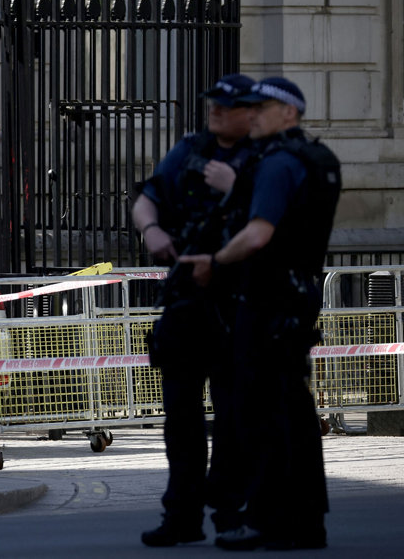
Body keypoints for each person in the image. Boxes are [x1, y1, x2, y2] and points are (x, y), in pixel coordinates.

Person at [181, 76, 341, 550]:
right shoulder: (317, 158)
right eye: (249, 107)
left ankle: (275, 519)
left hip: (269, 298)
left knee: (264, 414)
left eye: (262, 107)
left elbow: (257, 234)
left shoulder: (278, 163)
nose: (251, 114)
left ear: (289, 113)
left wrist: (214, 260)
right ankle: (306, 520)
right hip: (297, 294)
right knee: (292, 410)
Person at [133, 74, 256, 547]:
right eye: (213, 107)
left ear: (250, 112)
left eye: (227, 108)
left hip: (237, 302)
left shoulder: (265, 156)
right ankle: (181, 516)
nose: (216, 114)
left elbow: (275, 223)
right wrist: (150, 232)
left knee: (233, 418)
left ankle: (230, 514)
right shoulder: (191, 149)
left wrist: (235, 186)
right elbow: (149, 197)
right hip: (186, 301)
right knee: (180, 420)